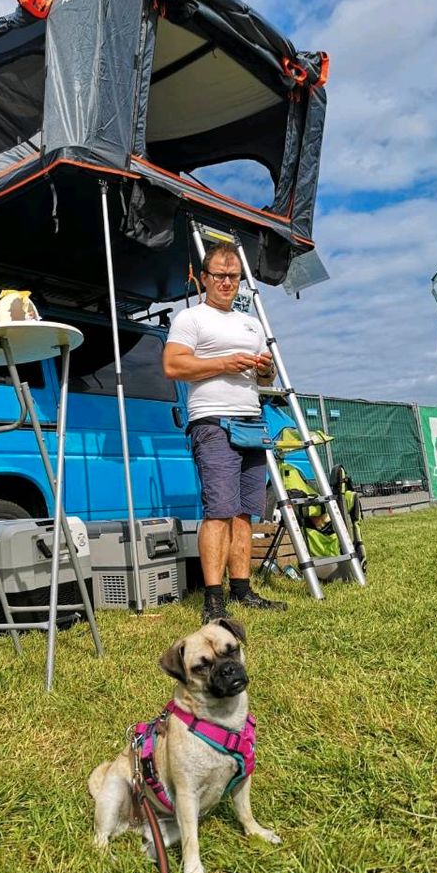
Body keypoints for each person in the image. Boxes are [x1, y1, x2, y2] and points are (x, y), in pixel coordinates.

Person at [163, 241, 287, 622]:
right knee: (218, 511)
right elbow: (173, 365)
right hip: (213, 422)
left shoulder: (250, 324)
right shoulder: (191, 319)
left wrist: (264, 370)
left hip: (251, 420)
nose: (227, 282)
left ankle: (243, 589)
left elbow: (266, 377)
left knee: (245, 513)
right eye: (219, 275)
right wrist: (223, 363)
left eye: (233, 276)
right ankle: (213, 598)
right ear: (204, 278)